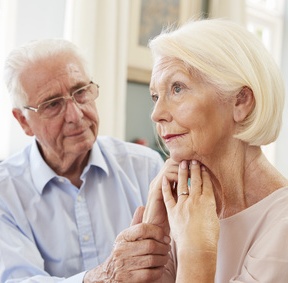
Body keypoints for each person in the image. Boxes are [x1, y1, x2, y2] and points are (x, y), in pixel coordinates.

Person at [0, 38, 170, 283]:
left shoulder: (145, 166)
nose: (76, 115)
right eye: (52, 104)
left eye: (80, 92)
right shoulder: (6, 192)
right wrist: (105, 276)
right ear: (24, 121)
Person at [142, 18, 288, 282]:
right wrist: (153, 236)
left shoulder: (284, 224)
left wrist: (197, 253)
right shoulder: (185, 206)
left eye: (177, 88)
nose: (157, 114)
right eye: (155, 96)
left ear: (240, 101)